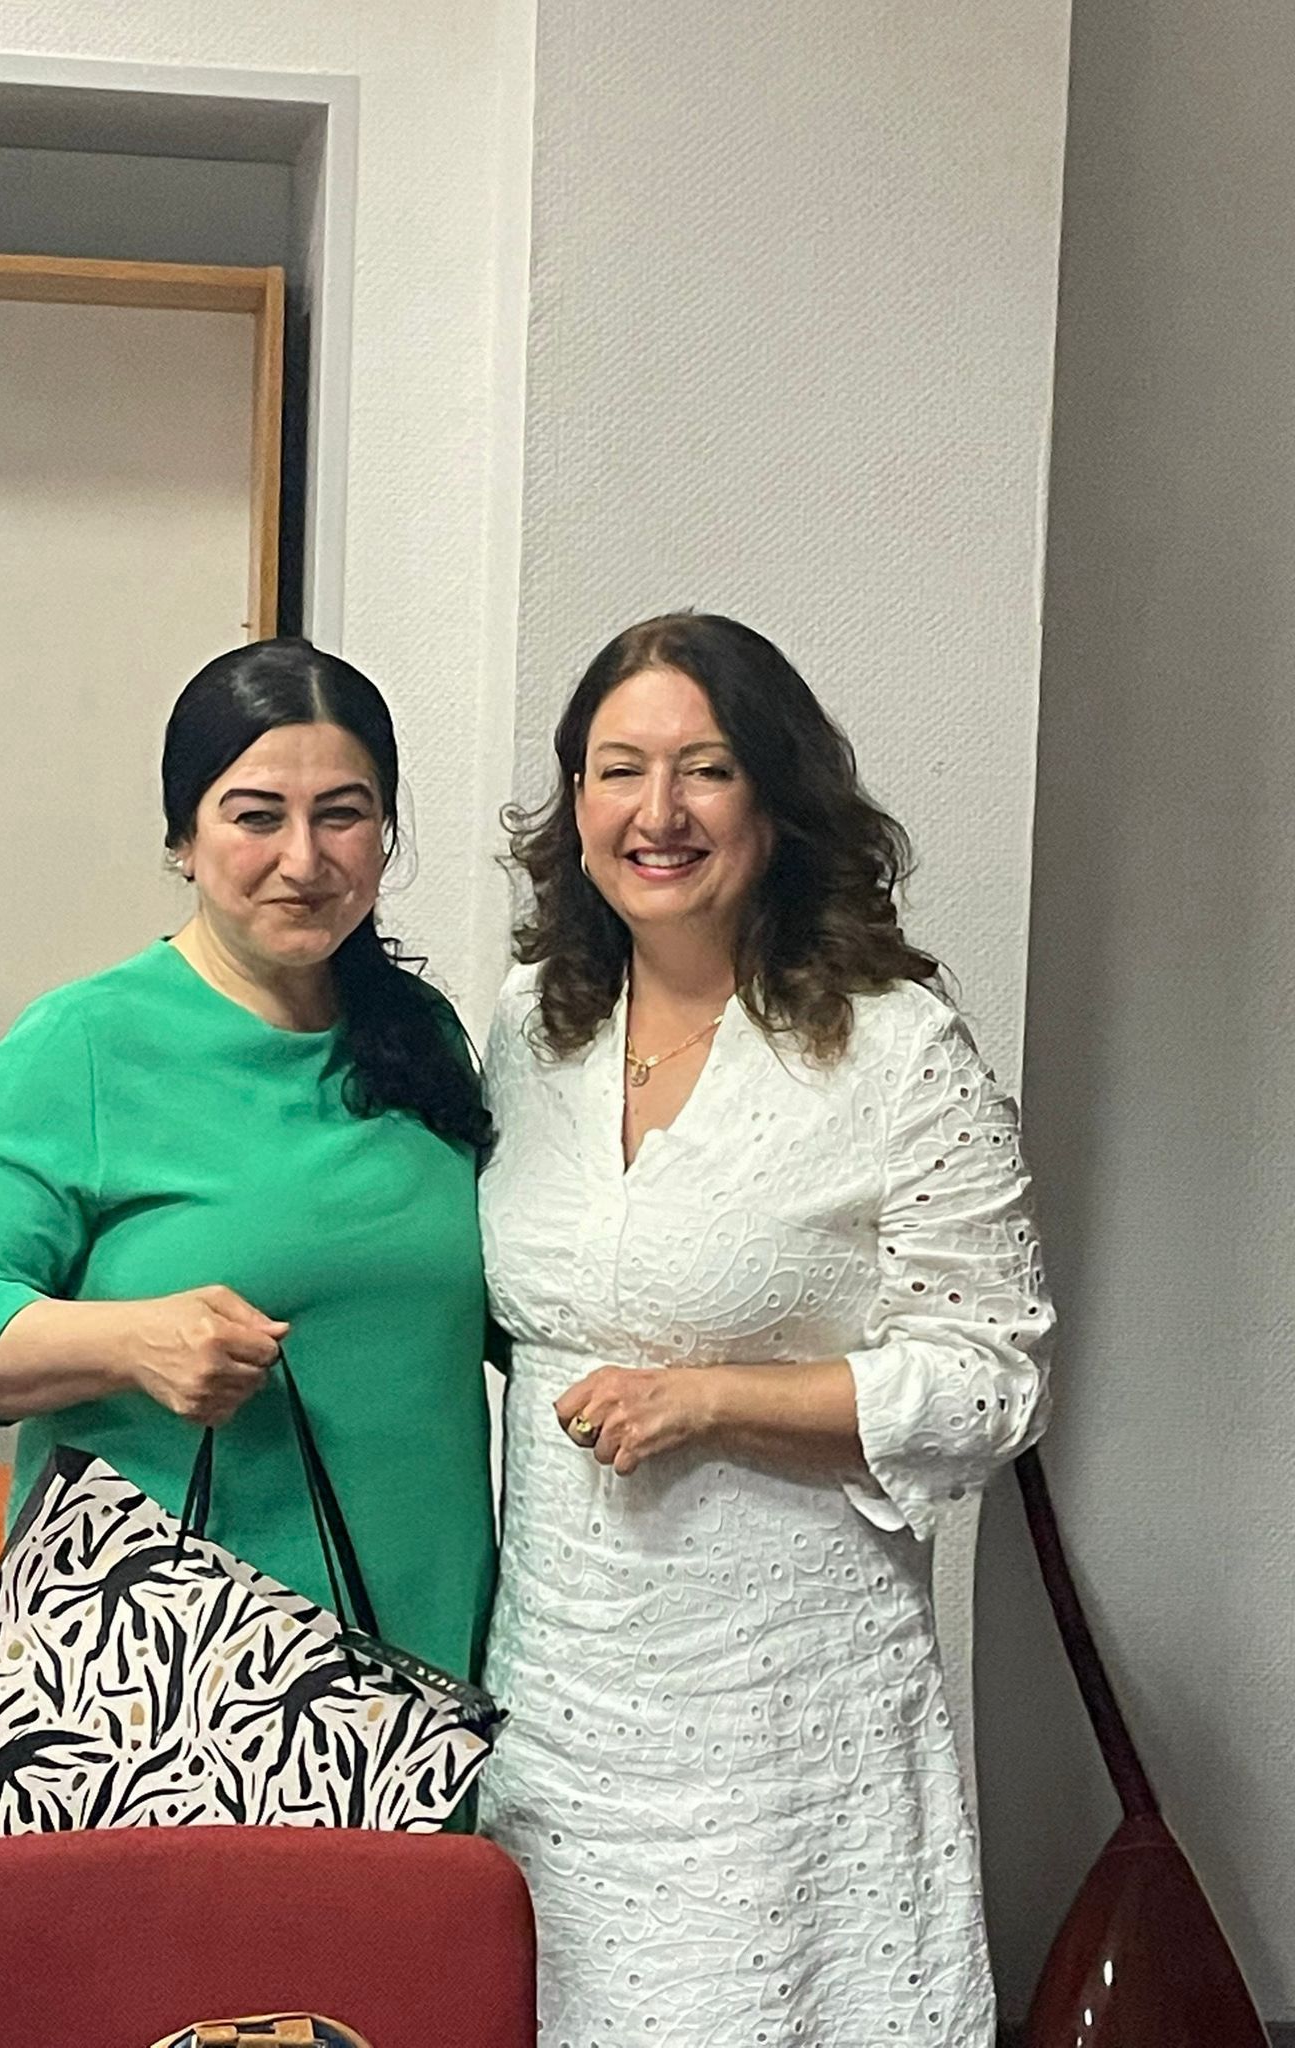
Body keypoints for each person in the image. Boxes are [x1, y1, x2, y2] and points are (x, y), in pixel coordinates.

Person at [477, 613, 1054, 2047]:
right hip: (559, 1688)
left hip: (788, 1706)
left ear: (779, 801)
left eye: (708, 768)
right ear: (576, 807)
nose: (657, 811)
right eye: (619, 770)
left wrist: (715, 1397)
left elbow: (993, 1379)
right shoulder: (531, 1029)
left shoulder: (895, 1046)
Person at [0, 638, 496, 1691]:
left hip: (423, 1662)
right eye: (256, 816)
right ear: (183, 836)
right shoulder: (83, 1044)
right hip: (169, 1688)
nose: (303, 859)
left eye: (343, 814)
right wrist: (132, 1341)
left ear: (386, 831)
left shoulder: (421, 1032)